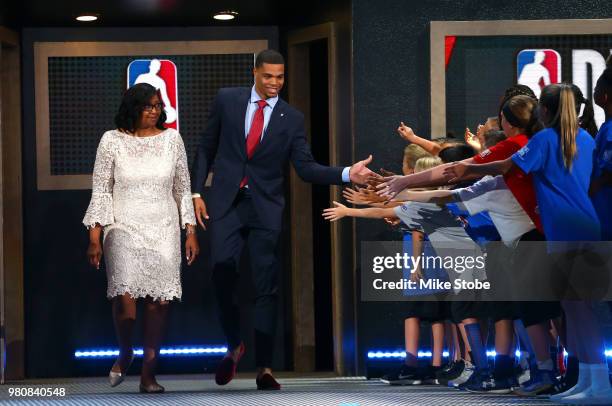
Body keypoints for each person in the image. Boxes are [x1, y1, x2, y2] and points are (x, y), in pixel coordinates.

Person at [190, 49, 376, 390]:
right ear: (255, 72)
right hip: (226, 203)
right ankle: (234, 345)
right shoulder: (227, 100)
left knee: (266, 286)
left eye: (280, 77)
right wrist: (196, 193)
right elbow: (205, 146)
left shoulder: (292, 118)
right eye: (268, 76)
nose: (275, 82)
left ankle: (264, 368)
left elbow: (305, 169)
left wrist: (347, 173)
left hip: (265, 207)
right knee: (221, 271)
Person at [445, 83, 611, 405]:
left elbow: (508, 166)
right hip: (584, 224)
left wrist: (468, 166)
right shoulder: (586, 138)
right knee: (576, 310)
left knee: (579, 310)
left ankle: (599, 383)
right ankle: (590, 379)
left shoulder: (546, 139)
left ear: (544, 111)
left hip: (566, 229)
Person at [83, 83, 199, 393]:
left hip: (163, 227)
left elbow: (182, 189)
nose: (154, 110)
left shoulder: (172, 140)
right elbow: (101, 189)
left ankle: (149, 374)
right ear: (133, 107)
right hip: (122, 227)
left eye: (158, 105)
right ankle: (125, 351)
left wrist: (190, 231)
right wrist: (95, 236)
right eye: (148, 105)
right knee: (126, 304)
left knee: (159, 303)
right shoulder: (112, 140)